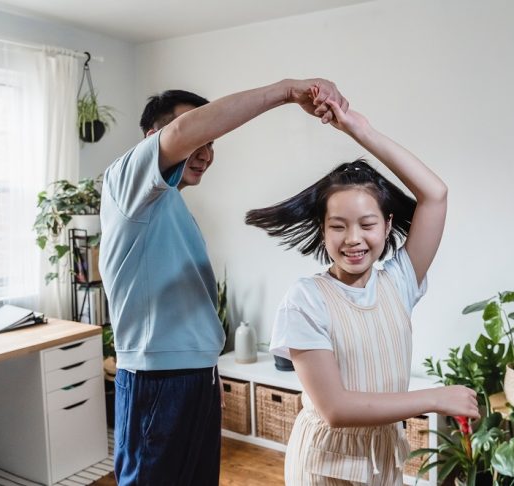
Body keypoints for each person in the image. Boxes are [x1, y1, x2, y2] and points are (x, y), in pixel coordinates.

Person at [99, 79, 349, 486]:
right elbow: (180, 134)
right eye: (200, 137)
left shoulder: (171, 202)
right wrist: (287, 92)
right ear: (152, 140)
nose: (206, 152)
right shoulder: (124, 182)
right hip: (156, 381)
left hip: (192, 377)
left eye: (212, 142)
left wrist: (205, 371)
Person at [245, 100, 479, 485]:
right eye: (338, 226)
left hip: (382, 456)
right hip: (324, 463)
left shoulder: (399, 281)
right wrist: (435, 397)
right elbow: (335, 408)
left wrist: (360, 130)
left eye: (366, 224)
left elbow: (435, 194)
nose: (353, 239)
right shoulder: (306, 299)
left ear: (388, 226)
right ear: (323, 230)